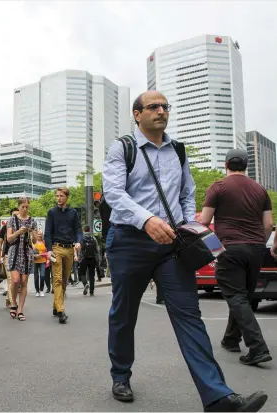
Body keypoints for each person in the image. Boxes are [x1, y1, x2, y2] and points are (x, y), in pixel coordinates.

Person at [103, 91, 267, 412]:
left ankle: (218, 397)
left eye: (165, 107)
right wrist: (146, 219)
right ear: (137, 114)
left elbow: (187, 192)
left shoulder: (178, 150)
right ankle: (120, 374)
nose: (161, 111)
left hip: (172, 246)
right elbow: (113, 193)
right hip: (129, 242)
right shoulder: (122, 148)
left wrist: (187, 224)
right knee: (123, 315)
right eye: (153, 107)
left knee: (190, 317)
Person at [198, 149, 273, 366]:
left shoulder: (218, 186)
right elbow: (268, 225)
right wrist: (259, 242)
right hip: (257, 248)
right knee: (244, 296)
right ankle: (231, 339)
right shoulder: (261, 190)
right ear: (246, 166)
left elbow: (203, 222)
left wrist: (215, 248)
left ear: (226, 164)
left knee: (237, 296)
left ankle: (257, 347)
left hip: (230, 247)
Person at [44, 188, 83, 324]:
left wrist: (78, 242)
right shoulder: (51, 212)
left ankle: (56, 305)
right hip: (56, 248)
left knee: (65, 280)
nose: (58, 198)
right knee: (58, 279)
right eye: (57, 196)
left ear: (67, 197)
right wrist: (49, 250)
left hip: (70, 249)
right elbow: (47, 233)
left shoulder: (73, 213)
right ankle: (61, 310)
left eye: (61, 196)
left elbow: (79, 230)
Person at [6, 197, 38, 321]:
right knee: (15, 280)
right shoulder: (12, 220)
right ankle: (13, 303)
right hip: (14, 252)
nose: (24, 209)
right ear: (18, 207)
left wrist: (33, 233)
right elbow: (9, 238)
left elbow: (34, 241)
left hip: (26, 252)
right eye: (22, 207)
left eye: (27, 207)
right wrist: (19, 232)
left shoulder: (32, 220)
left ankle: (20, 309)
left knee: (24, 281)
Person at [0, 208, 19, 308]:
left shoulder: (21, 227)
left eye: (17, 215)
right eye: (13, 215)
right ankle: (12, 301)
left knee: (16, 280)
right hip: (7, 255)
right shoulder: (5, 228)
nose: (15, 217)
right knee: (10, 279)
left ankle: (8, 299)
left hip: (19, 256)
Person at [78, 225, 100, 297]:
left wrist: (79, 258)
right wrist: (97, 259)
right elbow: (97, 250)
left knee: (82, 273)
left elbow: (79, 249)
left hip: (84, 258)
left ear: (84, 230)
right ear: (89, 230)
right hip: (92, 258)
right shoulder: (93, 238)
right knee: (91, 275)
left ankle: (85, 284)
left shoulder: (81, 239)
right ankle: (91, 292)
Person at [33, 230, 47, 297]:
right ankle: (37, 291)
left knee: (42, 276)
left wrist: (41, 254)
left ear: (42, 235)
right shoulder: (34, 242)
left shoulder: (44, 242)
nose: (39, 235)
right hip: (35, 261)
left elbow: (47, 252)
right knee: (36, 277)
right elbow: (30, 251)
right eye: (38, 234)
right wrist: (34, 255)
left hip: (43, 261)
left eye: (40, 234)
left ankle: (41, 290)